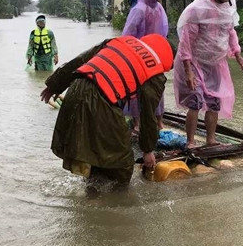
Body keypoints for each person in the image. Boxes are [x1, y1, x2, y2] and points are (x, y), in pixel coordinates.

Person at [40, 34, 174, 192]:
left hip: (75, 89)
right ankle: (116, 207)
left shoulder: (120, 42)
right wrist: (148, 150)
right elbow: (148, 115)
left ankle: (92, 197)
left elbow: (80, 60)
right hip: (101, 100)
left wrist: (55, 84)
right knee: (122, 163)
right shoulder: (154, 73)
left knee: (95, 153)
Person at [173, 0, 243, 148]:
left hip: (215, 63)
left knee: (214, 102)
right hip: (193, 61)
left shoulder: (230, 5)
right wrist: (188, 71)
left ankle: (211, 140)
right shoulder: (197, 9)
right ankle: (191, 142)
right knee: (195, 100)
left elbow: (230, 32)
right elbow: (185, 42)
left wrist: (238, 55)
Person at [122, 0, 169, 131]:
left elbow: (163, 33)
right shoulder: (138, 10)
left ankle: (159, 121)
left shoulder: (159, 9)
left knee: (158, 89)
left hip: (156, 56)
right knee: (137, 91)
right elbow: (127, 36)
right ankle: (137, 123)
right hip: (138, 57)